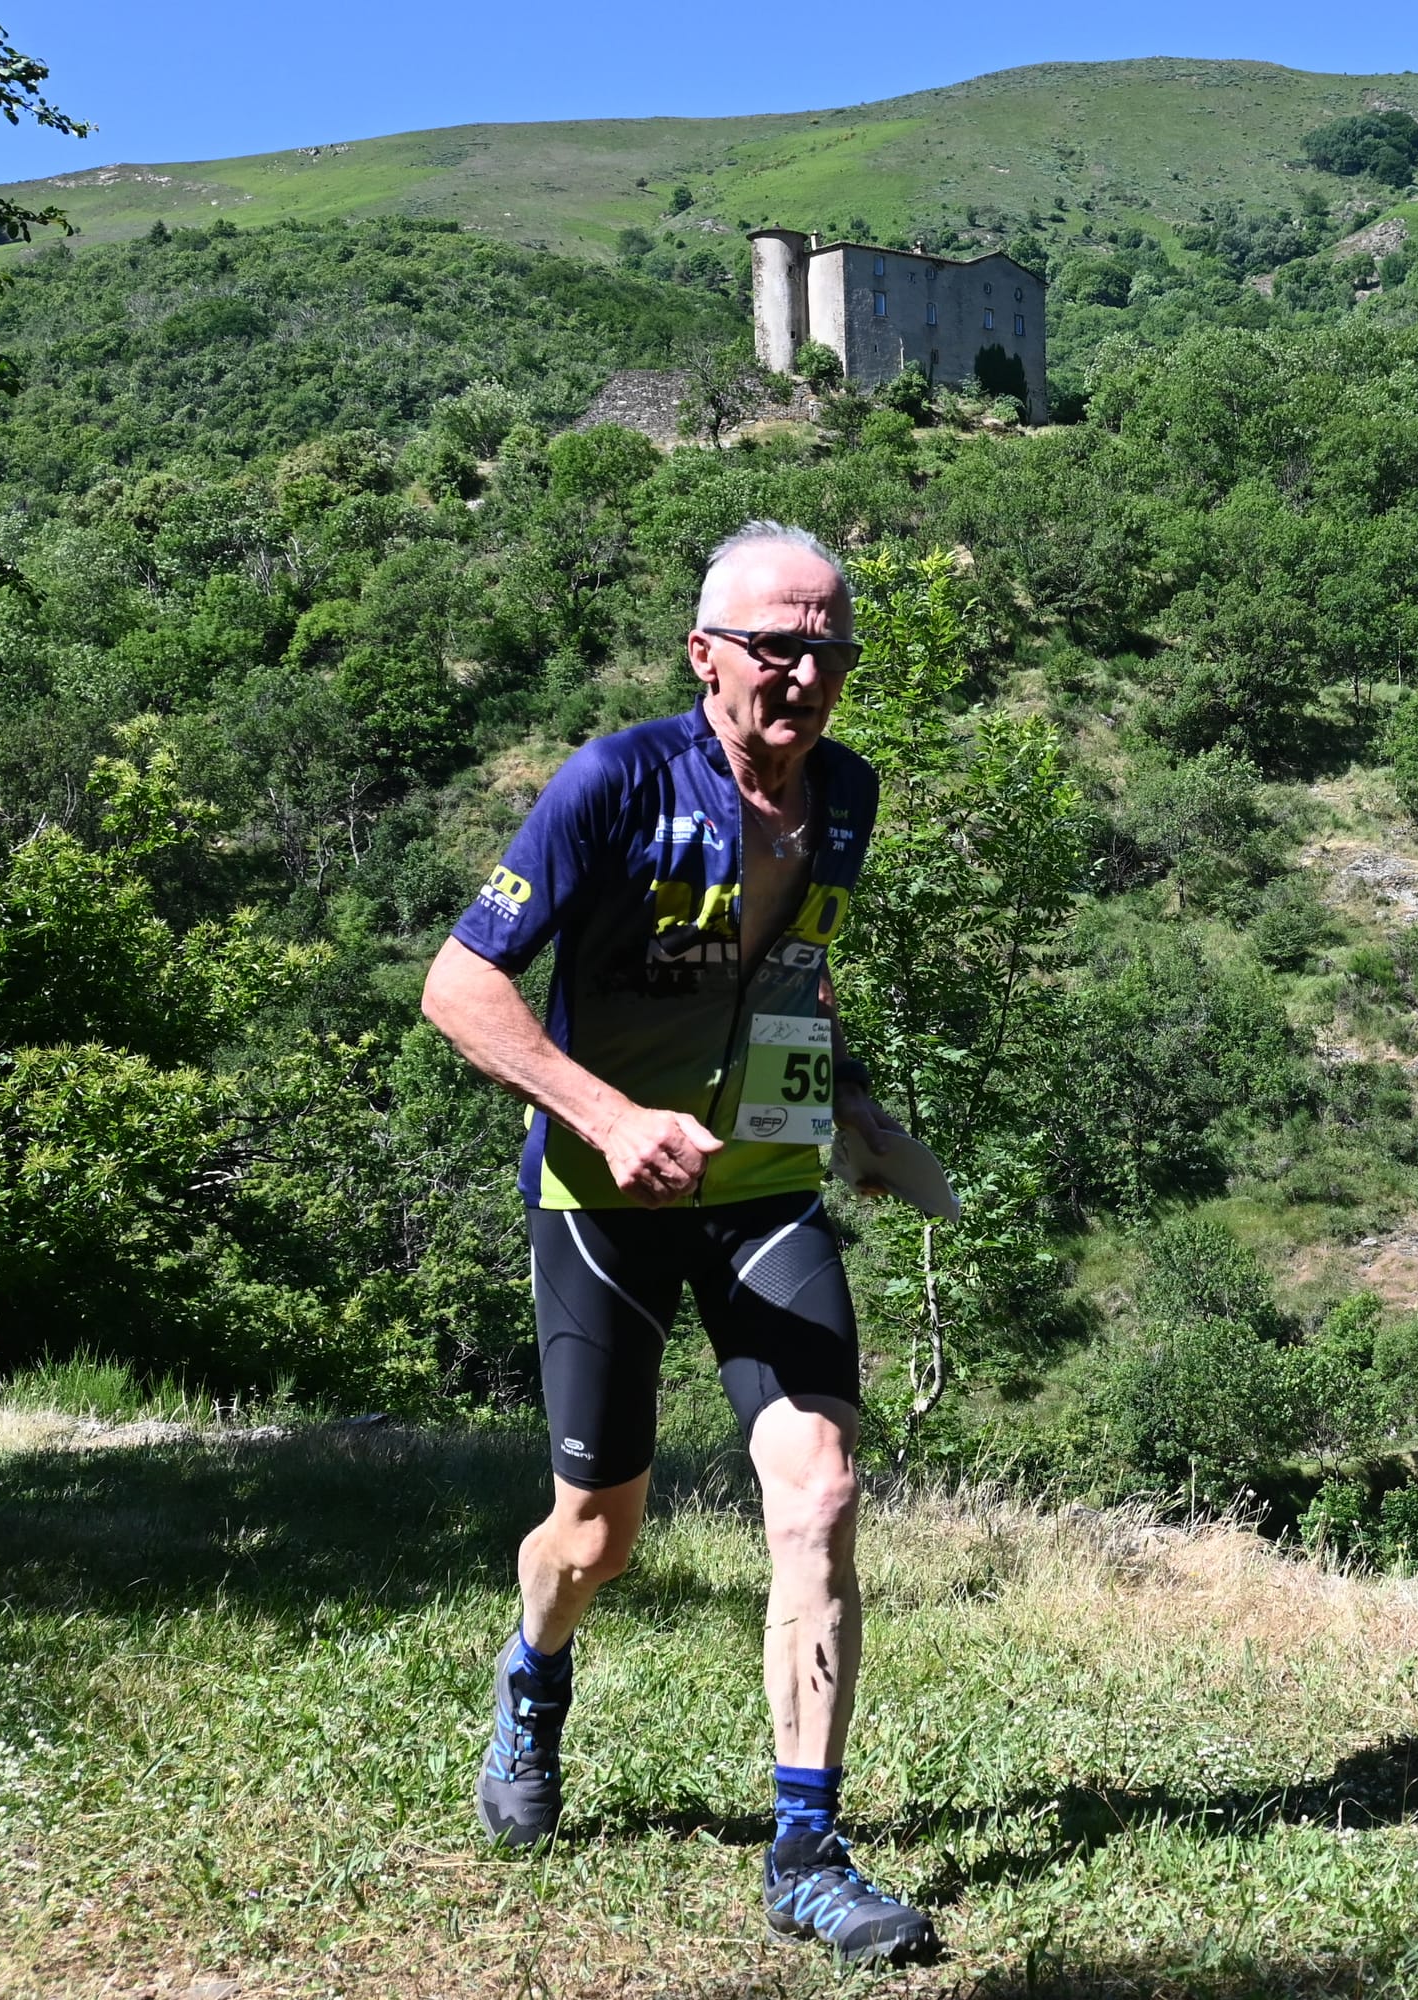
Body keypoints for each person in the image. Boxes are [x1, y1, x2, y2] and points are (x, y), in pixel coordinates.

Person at [421, 521, 939, 1969]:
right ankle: (536, 1672)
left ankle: (805, 1846)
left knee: (819, 1485)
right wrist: (608, 1111)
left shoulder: (846, 796)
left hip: (762, 1185)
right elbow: (461, 988)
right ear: (706, 654)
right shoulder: (611, 783)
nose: (805, 672)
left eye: (829, 647)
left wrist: (848, 1103)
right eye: (777, 644)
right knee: (600, 1534)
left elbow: (790, 966)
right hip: (604, 1196)